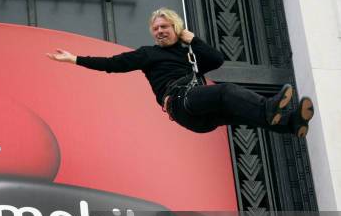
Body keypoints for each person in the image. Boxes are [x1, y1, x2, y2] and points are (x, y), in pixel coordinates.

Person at [47, 7, 314, 137]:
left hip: (202, 116)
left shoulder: (189, 52)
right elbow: (112, 64)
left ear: (176, 27)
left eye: (165, 27)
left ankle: (292, 125)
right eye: (156, 28)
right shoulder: (148, 54)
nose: (160, 31)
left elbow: (216, 59)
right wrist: (75, 59)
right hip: (180, 103)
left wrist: (193, 39)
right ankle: (269, 107)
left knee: (239, 112)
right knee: (226, 92)